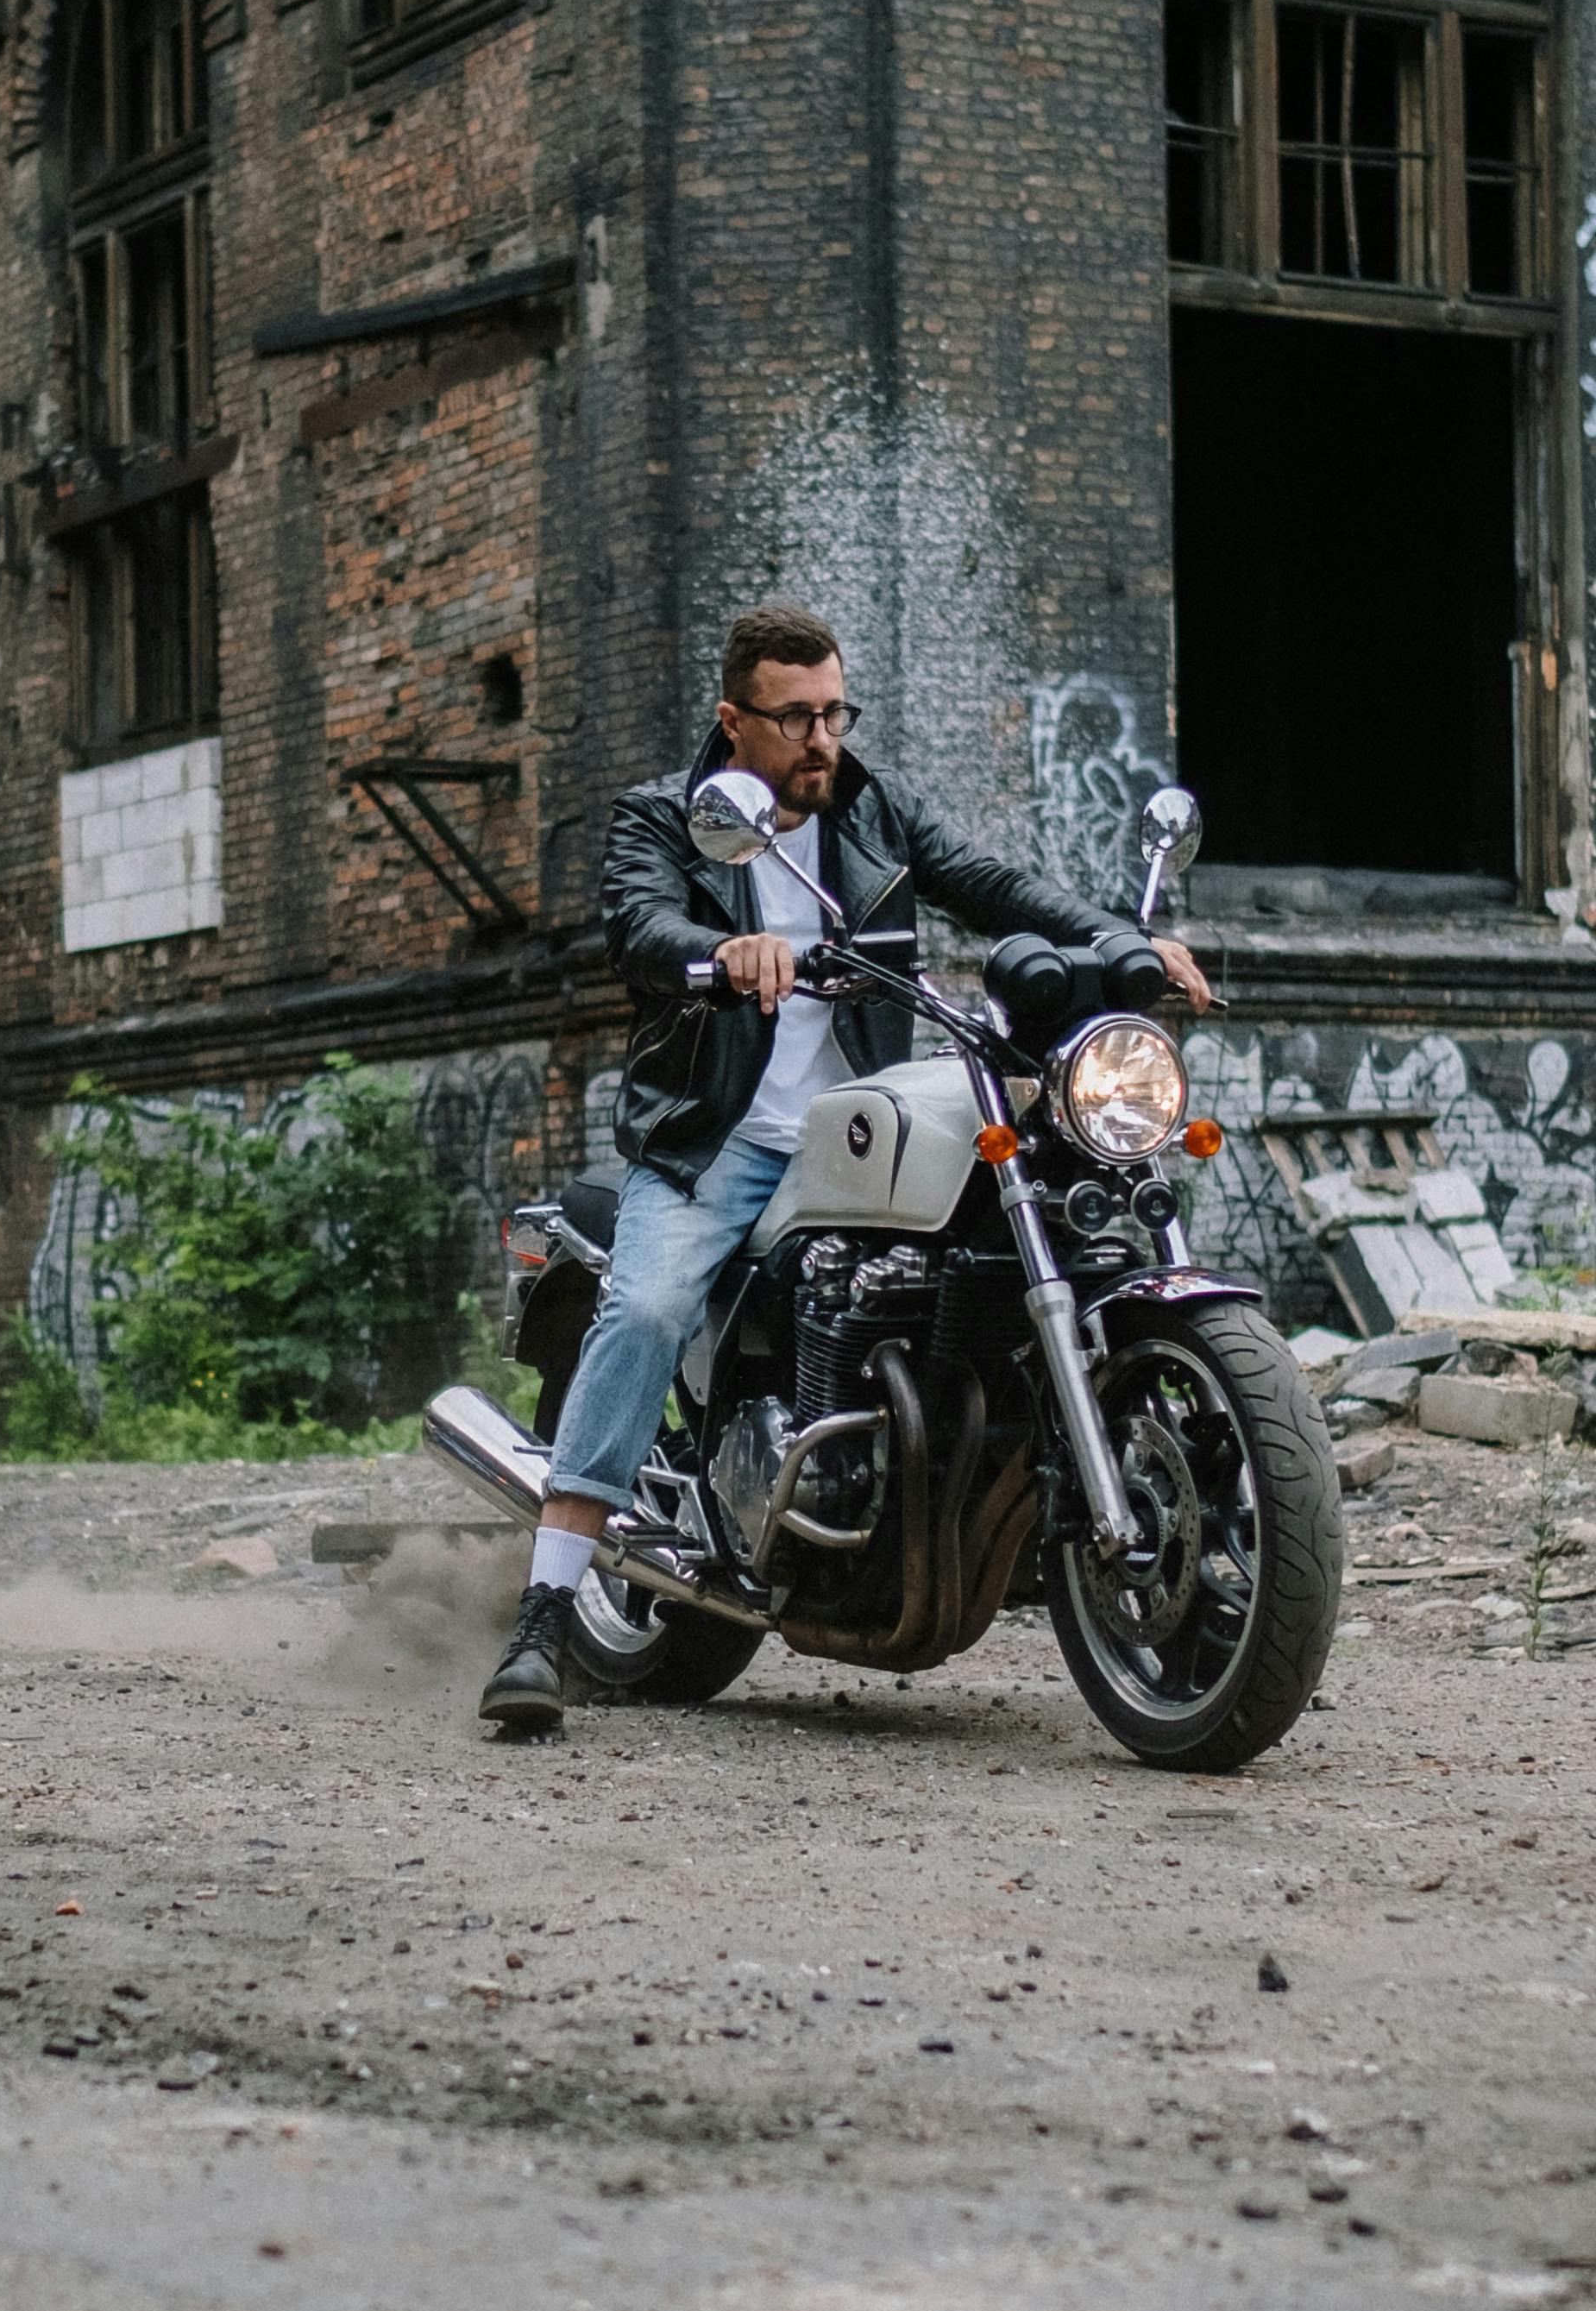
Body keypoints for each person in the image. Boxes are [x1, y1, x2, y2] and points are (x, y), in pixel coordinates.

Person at [482, 602, 1212, 1739]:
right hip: (712, 1136)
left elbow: (989, 881)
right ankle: (545, 1607)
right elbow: (635, 923)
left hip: (857, 1119)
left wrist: (1125, 946)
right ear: (735, 722)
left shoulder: (869, 805)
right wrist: (720, 952)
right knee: (648, 1307)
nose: (823, 739)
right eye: (796, 718)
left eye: (835, 710)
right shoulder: (668, 819)